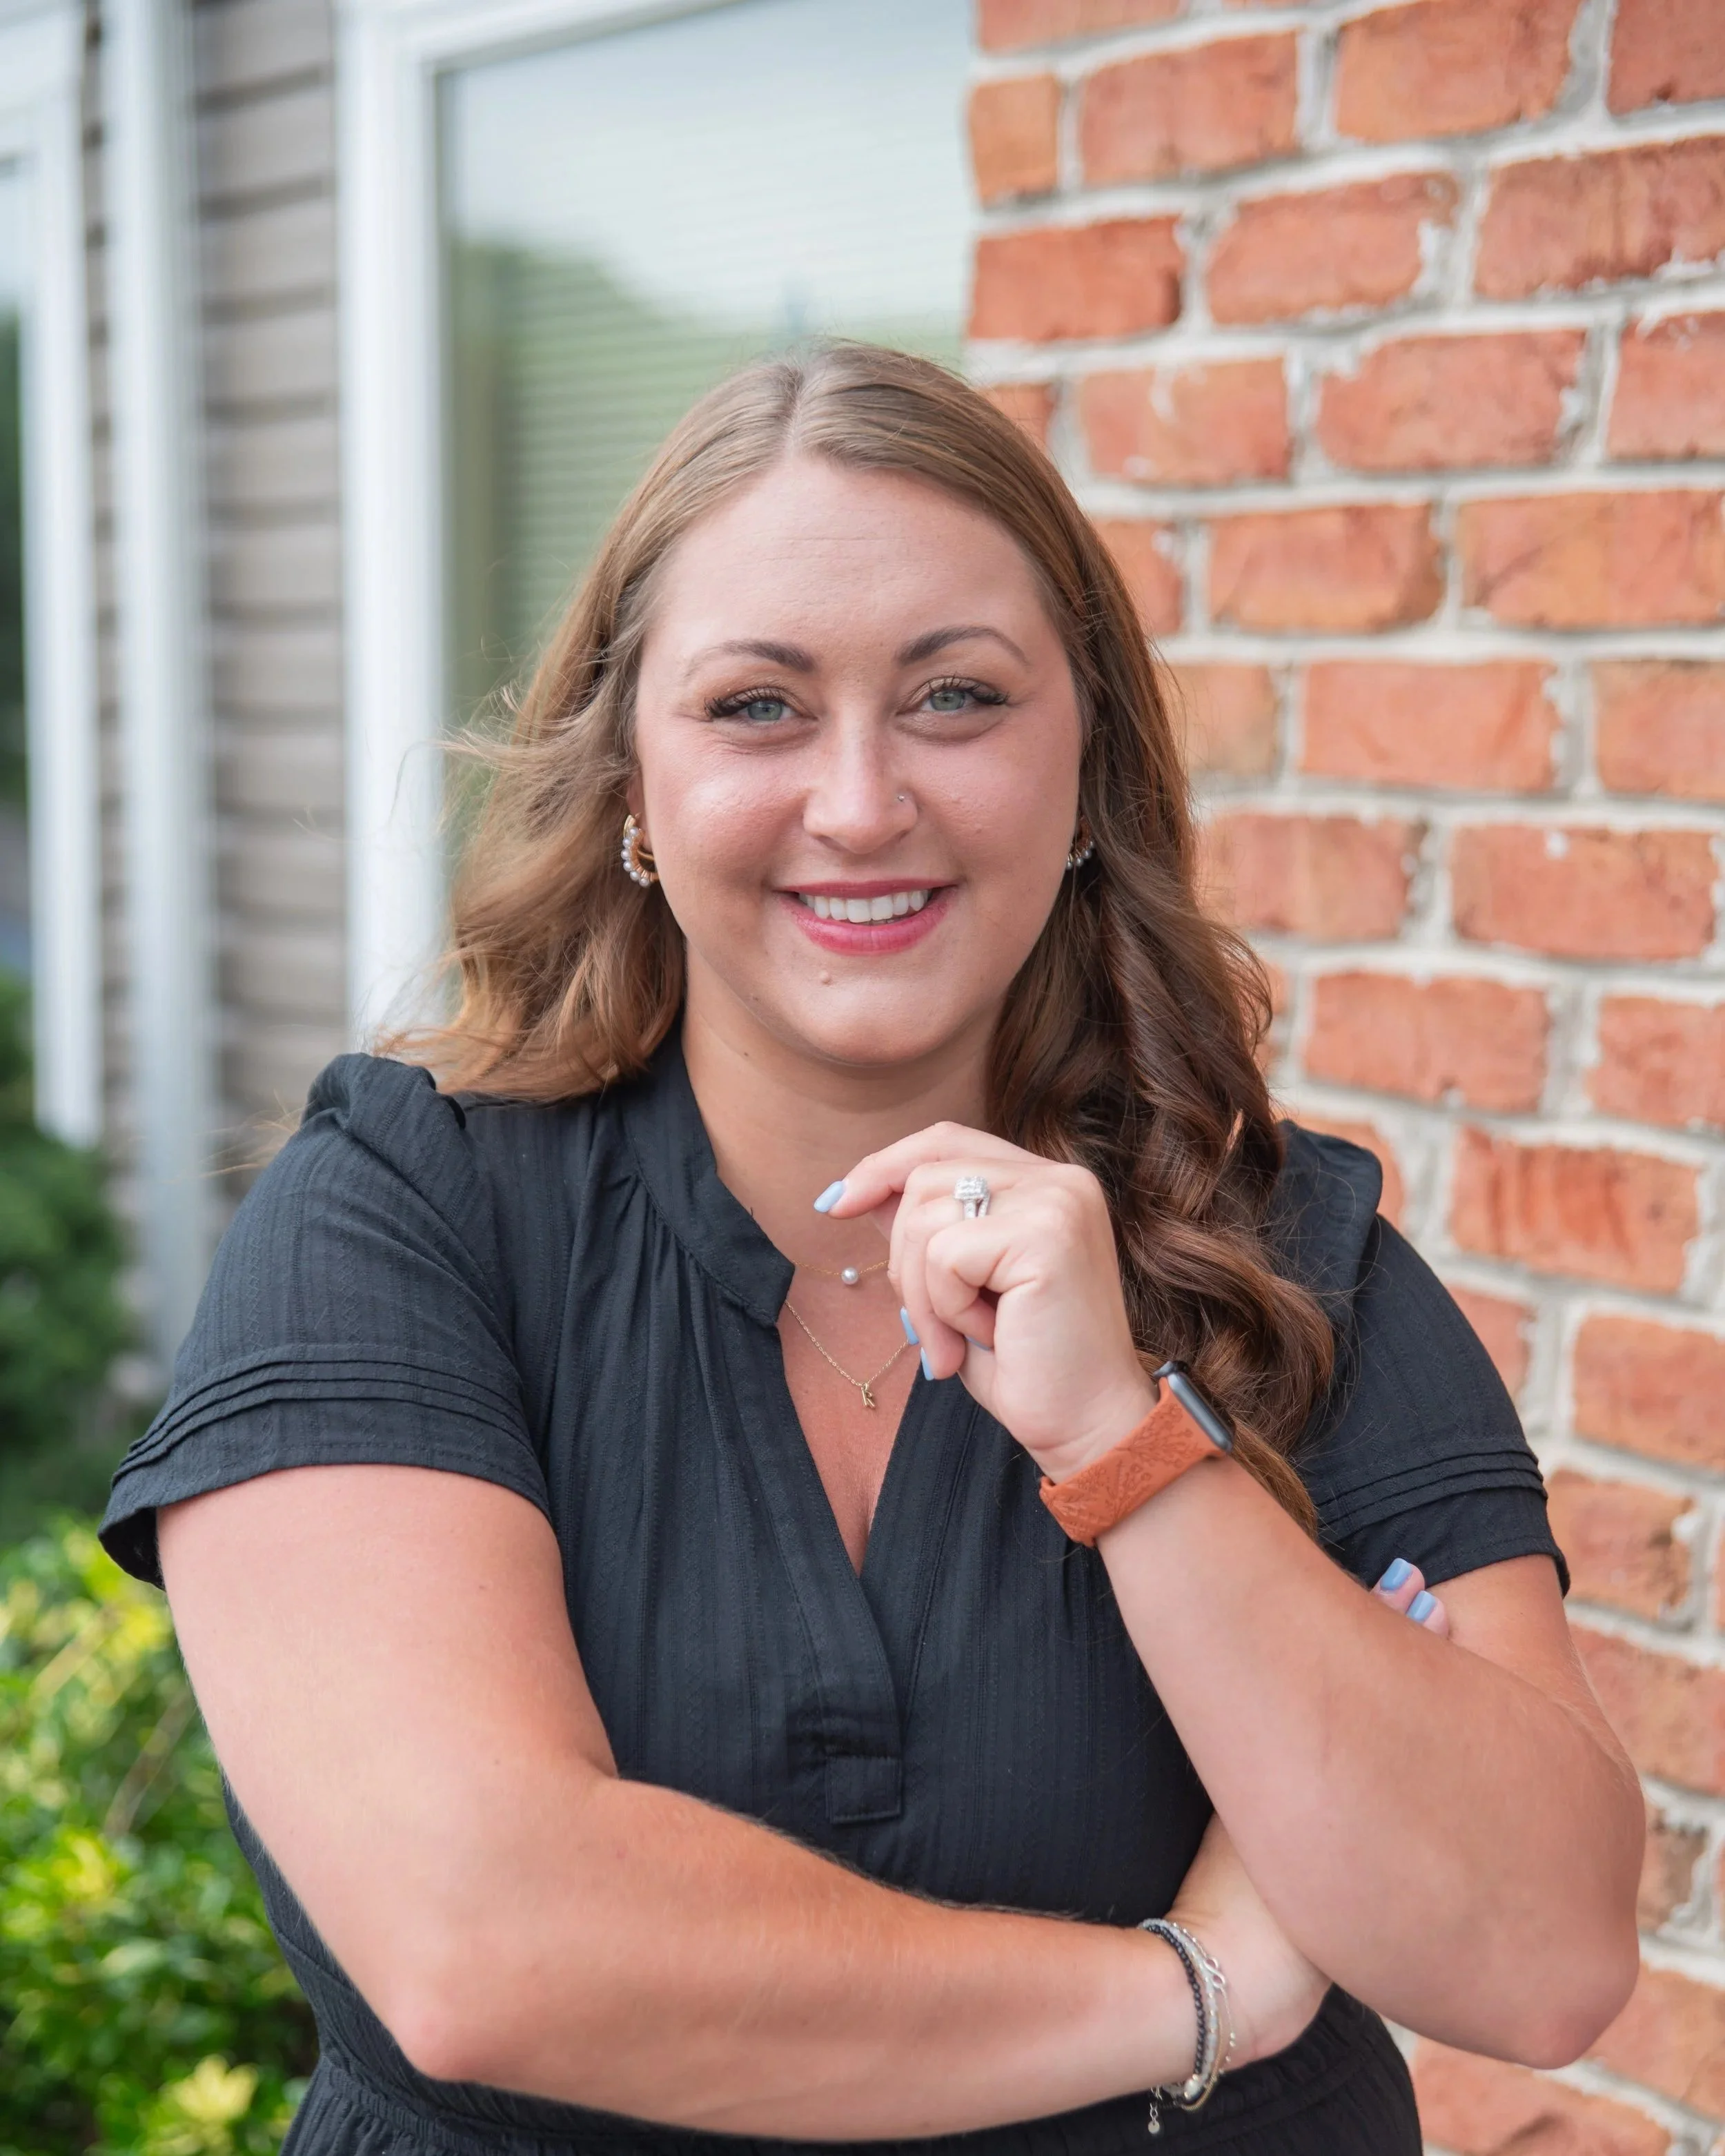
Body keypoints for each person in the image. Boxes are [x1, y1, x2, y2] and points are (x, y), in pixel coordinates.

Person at [101, 344, 1642, 2155]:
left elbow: (1534, 1948)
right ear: (630, 787)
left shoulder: (1280, 1247)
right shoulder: (404, 1216)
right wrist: (1192, 1989)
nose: (856, 801)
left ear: (1084, 775)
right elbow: (486, 1945)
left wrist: (1128, 1446)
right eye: (756, 706)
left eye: (955, 698)